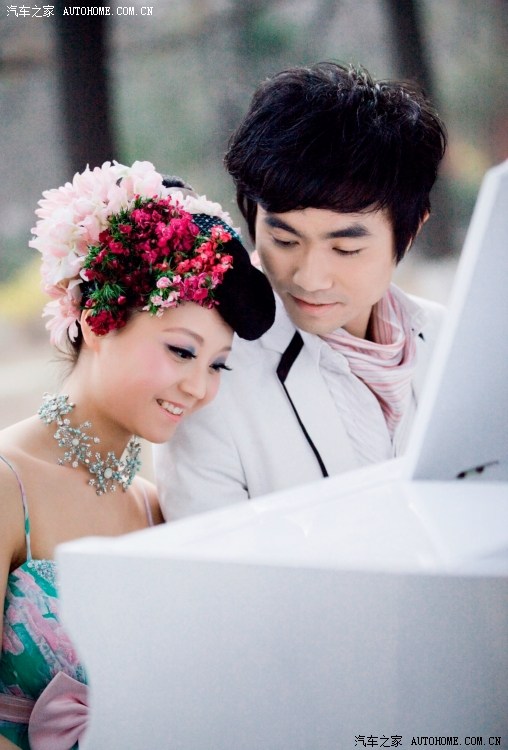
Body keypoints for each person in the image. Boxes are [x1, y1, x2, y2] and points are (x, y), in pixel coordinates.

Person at [0, 160, 275, 749]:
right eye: (182, 351)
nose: (199, 387)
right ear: (98, 319)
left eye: (218, 365)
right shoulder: (7, 485)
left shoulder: (157, 507)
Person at [154, 61, 448, 518]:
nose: (309, 278)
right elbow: (211, 556)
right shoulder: (208, 378)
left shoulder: (454, 342)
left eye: (346, 249)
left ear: (409, 234)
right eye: (284, 240)